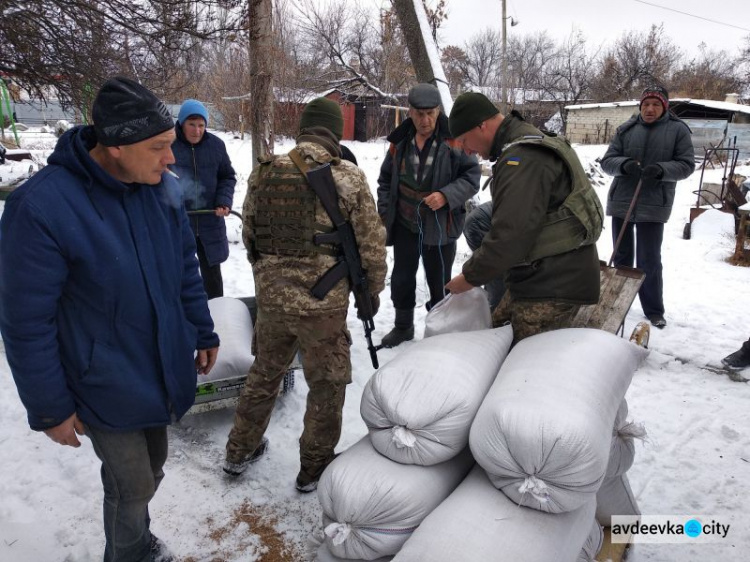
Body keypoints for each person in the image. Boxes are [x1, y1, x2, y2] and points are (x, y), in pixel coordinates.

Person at [0, 77, 220, 562]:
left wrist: (201, 328)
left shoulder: (158, 187)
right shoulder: (40, 208)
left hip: (158, 363)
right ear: (117, 147)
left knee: (154, 467)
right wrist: (50, 407)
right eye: (160, 146)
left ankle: (136, 539)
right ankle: (129, 554)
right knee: (132, 483)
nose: (171, 159)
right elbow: (25, 321)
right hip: (99, 377)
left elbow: (186, 264)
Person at [224, 97, 386, 493]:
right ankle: (313, 468)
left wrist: (272, 279)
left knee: (264, 374)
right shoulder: (346, 175)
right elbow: (372, 246)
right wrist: (373, 291)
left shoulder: (263, 173)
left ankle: (237, 451)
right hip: (323, 307)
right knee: (326, 385)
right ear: (335, 132)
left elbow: (250, 237)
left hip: (273, 303)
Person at [445, 92, 602, 346]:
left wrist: (469, 277)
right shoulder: (522, 143)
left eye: (464, 139)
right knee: (495, 335)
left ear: (481, 125)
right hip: (541, 276)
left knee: (521, 362)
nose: (466, 149)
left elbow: (510, 236)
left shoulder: (523, 158)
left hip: (554, 285)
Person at [377, 83, 480, 347]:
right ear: (410, 112)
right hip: (404, 224)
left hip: (440, 225)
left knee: (439, 282)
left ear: (438, 111)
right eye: (420, 114)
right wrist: (386, 213)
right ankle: (403, 326)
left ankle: (438, 332)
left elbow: (471, 178)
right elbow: (386, 180)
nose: (426, 120)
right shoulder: (399, 141)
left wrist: (446, 195)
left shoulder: (455, 139)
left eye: (431, 113)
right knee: (401, 277)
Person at [600, 85, 694, 329]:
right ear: (639, 107)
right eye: (645, 105)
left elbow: (686, 165)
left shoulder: (678, 131)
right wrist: (624, 165)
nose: (649, 109)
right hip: (623, 199)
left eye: (655, 104)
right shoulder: (626, 129)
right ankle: (615, 302)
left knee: (649, 259)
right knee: (621, 256)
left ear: (664, 107)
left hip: (654, 202)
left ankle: (653, 309)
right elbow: (607, 162)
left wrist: (662, 170)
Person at [172, 99, 237, 299]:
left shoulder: (216, 146)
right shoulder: (169, 145)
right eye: (191, 124)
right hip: (180, 223)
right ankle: (185, 314)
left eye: (201, 125)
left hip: (210, 221)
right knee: (180, 273)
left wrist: (223, 201)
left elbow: (227, 176)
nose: (197, 130)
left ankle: (218, 313)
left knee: (212, 276)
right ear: (182, 123)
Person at [463, 200, 505, 310]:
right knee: (497, 274)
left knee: (494, 272)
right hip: (480, 223)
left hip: (487, 219)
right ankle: (494, 316)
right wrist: (469, 276)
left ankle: (491, 307)